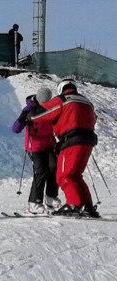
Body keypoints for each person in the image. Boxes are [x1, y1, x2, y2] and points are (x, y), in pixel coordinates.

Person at [29, 80, 99, 218]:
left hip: (71, 141)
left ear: (61, 89)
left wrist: (30, 115)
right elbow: (93, 118)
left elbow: (41, 113)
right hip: (88, 141)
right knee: (75, 176)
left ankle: (74, 205)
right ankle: (87, 207)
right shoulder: (87, 102)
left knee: (64, 176)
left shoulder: (63, 99)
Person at [11, 86, 60, 214]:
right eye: (43, 101)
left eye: (47, 101)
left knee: (54, 167)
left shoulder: (51, 108)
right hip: (35, 146)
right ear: (38, 99)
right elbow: (15, 129)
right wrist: (24, 116)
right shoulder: (30, 109)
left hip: (49, 144)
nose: (45, 104)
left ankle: (50, 197)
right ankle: (34, 203)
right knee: (41, 171)